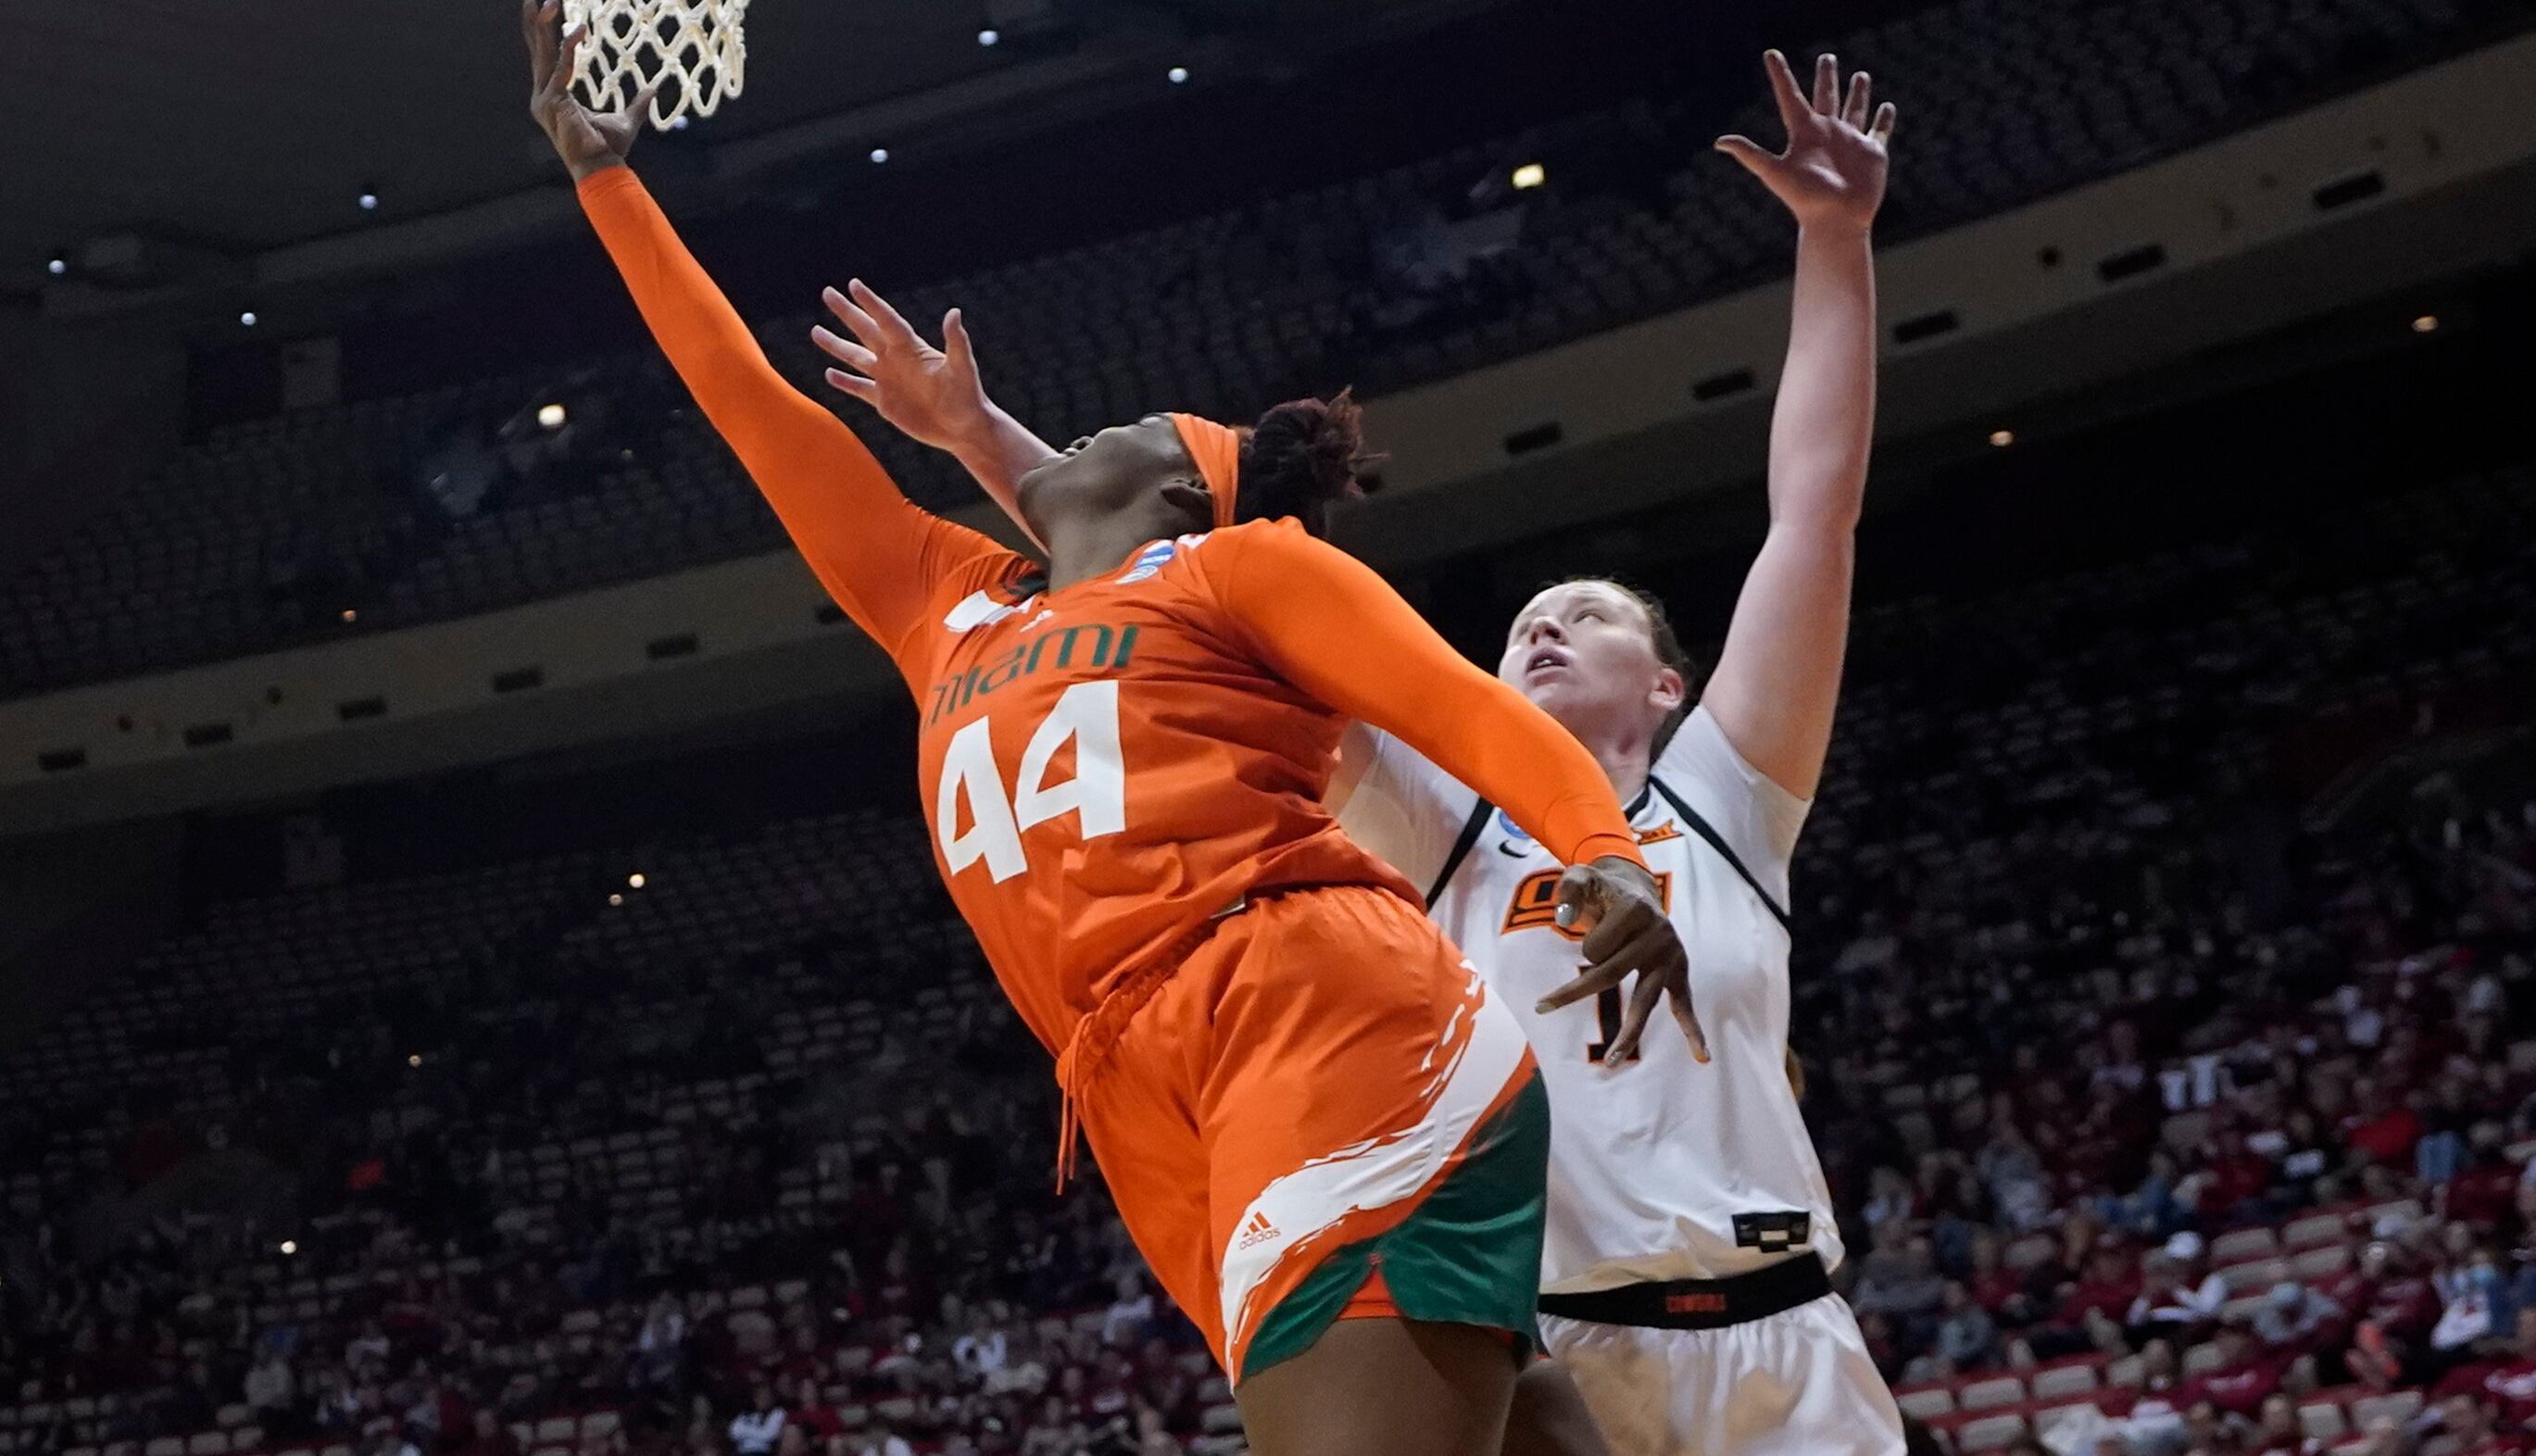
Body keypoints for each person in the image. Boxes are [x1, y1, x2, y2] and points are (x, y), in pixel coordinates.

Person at [518, 6, 1693, 1453]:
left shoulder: (1239, 570)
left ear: (1184, 492)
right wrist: (607, 183)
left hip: (1305, 1009)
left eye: (1122, 429)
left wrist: (1605, 854)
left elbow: (1470, 713)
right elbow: (753, 411)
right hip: (1134, 1089)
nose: (1079, 436)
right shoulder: (947, 606)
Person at [808, 44, 1904, 1456]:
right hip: (1547, 1347)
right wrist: (977, 437)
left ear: (1669, 684)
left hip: (1783, 1343)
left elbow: (1813, 511)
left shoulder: (1729, 807)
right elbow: (1150, 595)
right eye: (1525, 624)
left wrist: (1835, 243)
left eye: (1586, 616)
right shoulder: (1447, 828)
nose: (1544, 629)